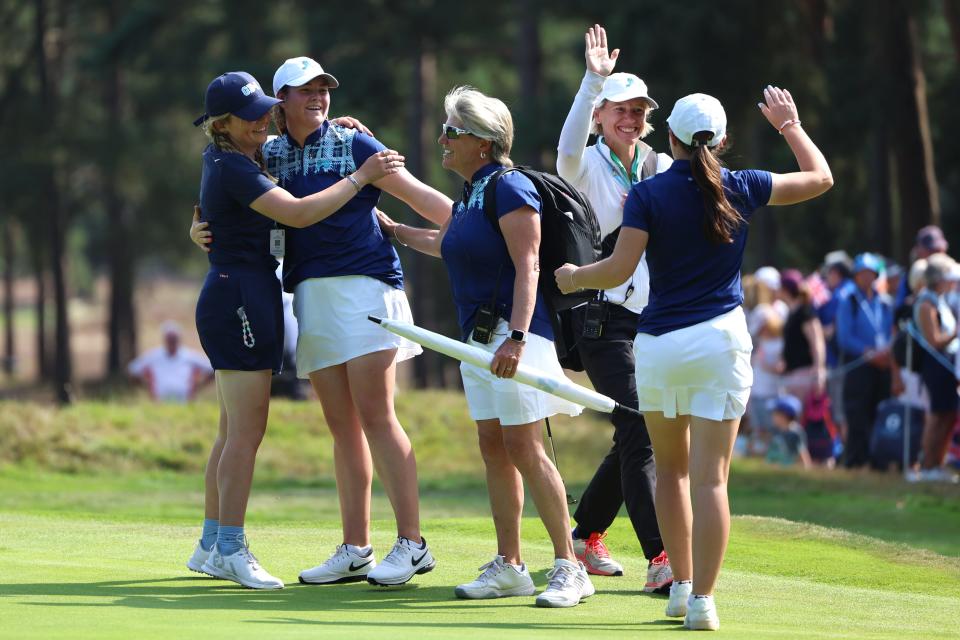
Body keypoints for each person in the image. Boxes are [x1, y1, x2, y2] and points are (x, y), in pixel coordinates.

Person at [555, 86, 833, 629]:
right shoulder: (743, 184)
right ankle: (702, 600)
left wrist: (573, 277)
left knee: (674, 474)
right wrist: (789, 125)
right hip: (721, 342)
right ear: (723, 139)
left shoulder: (650, 193)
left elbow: (615, 270)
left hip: (660, 345)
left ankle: (681, 584)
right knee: (711, 480)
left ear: (673, 140)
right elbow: (820, 177)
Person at [194, 57, 454, 587]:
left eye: (323, 89)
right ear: (279, 101)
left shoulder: (357, 143)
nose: (317, 97)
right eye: (302, 90)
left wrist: (473, 228)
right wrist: (194, 231)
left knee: (378, 416)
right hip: (310, 294)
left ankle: (412, 543)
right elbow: (215, 201)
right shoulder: (266, 151)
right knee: (342, 428)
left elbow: (434, 203)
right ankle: (356, 547)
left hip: (366, 286)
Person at [377, 85, 594, 608]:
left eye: (453, 130)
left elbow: (529, 264)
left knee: (524, 446)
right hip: (477, 340)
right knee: (494, 447)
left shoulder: (509, 186)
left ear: (483, 141)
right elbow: (450, 244)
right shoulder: (472, 194)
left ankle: (569, 565)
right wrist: (399, 231)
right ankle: (511, 565)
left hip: (514, 336)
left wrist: (517, 337)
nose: (443, 138)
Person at [553, 23, 671, 588]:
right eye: (618, 109)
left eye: (638, 110)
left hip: (654, 320)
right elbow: (566, 148)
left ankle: (584, 535)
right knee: (641, 425)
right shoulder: (585, 164)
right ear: (601, 115)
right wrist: (590, 81)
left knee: (635, 428)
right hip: (600, 317)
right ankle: (661, 557)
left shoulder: (659, 165)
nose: (630, 118)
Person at [836, 252, 894, 469]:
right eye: (863, 274)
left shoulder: (883, 301)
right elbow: (844, 337)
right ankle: (855, 459)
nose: (867, 278)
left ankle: (877, 458)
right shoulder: (848, 300)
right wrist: (867, 352)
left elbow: (889, 331)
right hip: (858, 365)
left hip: (881, 365)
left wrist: (885, 352)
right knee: (857, 413)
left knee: (878, 411)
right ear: (856, 275)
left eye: (871, 274)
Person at [911, 254, 960, 481]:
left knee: (949, 414)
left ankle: (937, 465)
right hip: (936, 366)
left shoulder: (941, 299)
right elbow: (934, 341)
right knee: (938, 415)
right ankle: (927, 465)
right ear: (938, 278)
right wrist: (955, 333)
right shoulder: (926, 302)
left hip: (948, 365)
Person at [127, 321, 213, 402]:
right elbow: (132, 369)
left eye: (174, 339)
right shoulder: (154, 356)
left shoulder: (190, 356)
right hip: (159, 402)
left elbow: (211, 369)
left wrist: (198, 386)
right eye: (169, 339)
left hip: (185, 401)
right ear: (165, 339)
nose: (172, 341)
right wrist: (147, 386)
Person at [778, 269, 826, 401]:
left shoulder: (805, 311)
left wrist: (819, 369)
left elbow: (817, 341)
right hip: (792, 374)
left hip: (804, 373)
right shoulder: (792, 312)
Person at [764, 395, 813, 469]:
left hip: (786, 472)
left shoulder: (795, 433)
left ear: (784, 416)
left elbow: (803, 456)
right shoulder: (775, 430)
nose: (772, 416)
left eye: (775, 413)